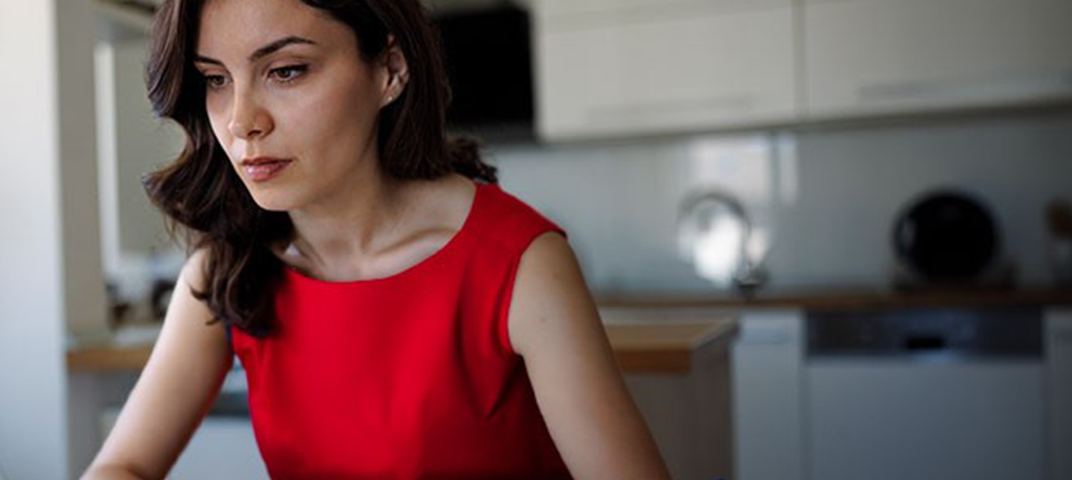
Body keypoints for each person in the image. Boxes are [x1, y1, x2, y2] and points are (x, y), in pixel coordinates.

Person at [82, 0, 671, 478]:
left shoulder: (520, 263)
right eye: (215, 79)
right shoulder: (227, 269)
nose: (241, 120)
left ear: (389, 70)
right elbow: (125, 463)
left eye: (286, 71)